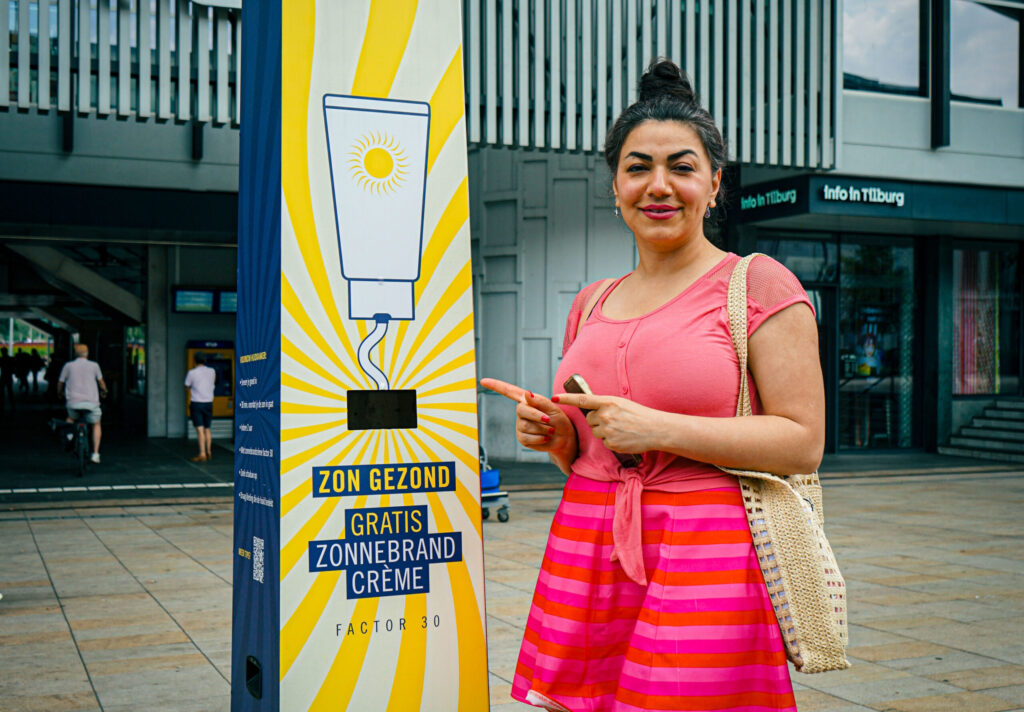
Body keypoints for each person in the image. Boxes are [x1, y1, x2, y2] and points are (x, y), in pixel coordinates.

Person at [482, 59, 824, 712]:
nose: (658, 186)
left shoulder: (756, 284)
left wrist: (658, 428)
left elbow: (803, 441)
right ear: (615, 185)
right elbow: (596, 447)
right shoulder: (591, 300)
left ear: (715, 183)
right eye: (638, 167)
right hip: (587, 544)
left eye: (682, 167)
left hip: (706, 553)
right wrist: (559, 435)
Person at [58, 344, 108, 464]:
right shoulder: (94, 365)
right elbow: (101, 382)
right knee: (96, 423)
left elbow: (60, 382)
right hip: (91, 403)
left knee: (70, 419)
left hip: (73, 403)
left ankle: (69, 437)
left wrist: (59, 393)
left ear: (75, 354)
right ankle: (95, 454)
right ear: (87, 353)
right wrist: (104, 391)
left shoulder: (68, 366)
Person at [184, 352, 216, 462]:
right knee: (207, 428)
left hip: (197, 403)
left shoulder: (192, 373)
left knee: (200, 429)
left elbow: (187, 386)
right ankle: (209, 451)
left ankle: (202, 454)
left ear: (194, 361)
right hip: (208, 403)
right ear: (205, 361)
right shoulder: (212, 371)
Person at [0, 347, 15, 412]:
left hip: (3, 376)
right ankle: (12, 404)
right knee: (10, 390)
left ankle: (2, 403)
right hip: (9, 376)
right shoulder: (10, 359)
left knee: (2, 391)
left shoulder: (1, 359)